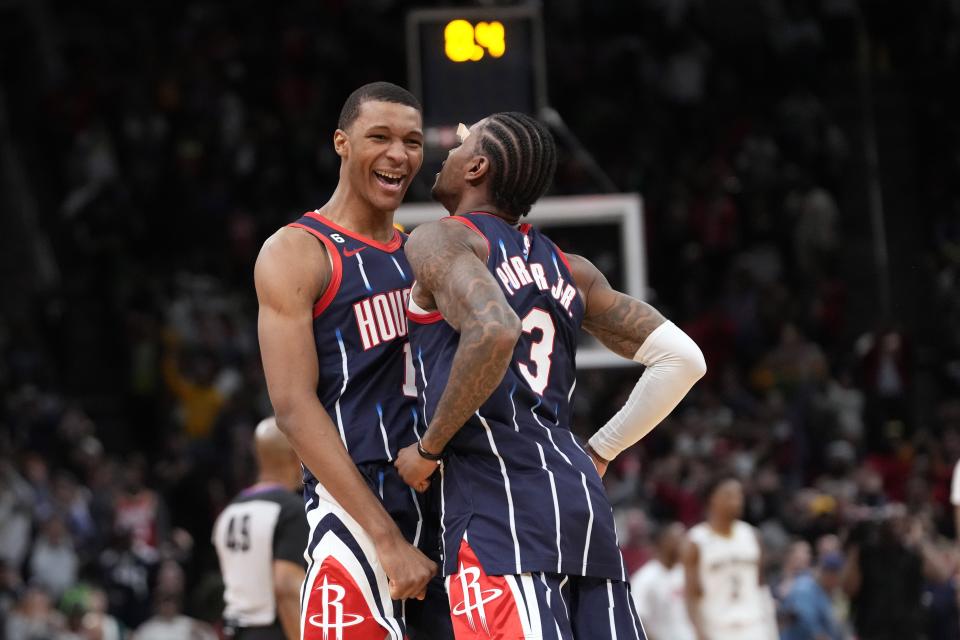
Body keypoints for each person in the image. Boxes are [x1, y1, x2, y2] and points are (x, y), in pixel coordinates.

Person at [394, 112, 706, 637]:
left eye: (462, 141)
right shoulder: (571, 268)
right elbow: (684, 359)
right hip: (580, 504)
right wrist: (603, 449)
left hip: (497, 505)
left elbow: (494, 330)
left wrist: (427, 448)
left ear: (477, 167)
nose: (446, 150)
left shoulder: (443, 240)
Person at [255, 81, 451, 639]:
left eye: (412, 141)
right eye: (380, 137)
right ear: (341, 143)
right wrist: (385, 538)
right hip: (355, 503)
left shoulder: (422, 252)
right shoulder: (296, 250)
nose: (399, 154)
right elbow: (292, 408)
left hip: (439, 494)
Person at [212, 417, 308, 640]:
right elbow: (285, 587)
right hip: (275, 630)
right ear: (296, 456)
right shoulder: (292, 510)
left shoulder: (229, 511)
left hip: (235, 630)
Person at [682, 476, 777, 640]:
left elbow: (761, 587)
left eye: (739, 495)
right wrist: (700, 633)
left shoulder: (752, 535)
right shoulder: (696, 541)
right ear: (712, 499)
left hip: (754, 626)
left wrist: (771, 630)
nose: (737, 500)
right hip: (717, 628)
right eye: (729, 495)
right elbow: (691, 596)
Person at [630, 522, 696, 640]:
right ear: (663, 542)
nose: (683, 544)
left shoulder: (684, 573)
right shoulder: (645, 578)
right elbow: (636, 619)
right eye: (678, 539)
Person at [780, 551, 845, 640]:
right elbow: (811, 629)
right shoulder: (804, 588)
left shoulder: (825, 593)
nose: (838, 582)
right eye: (837, 577)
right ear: (829, 574)